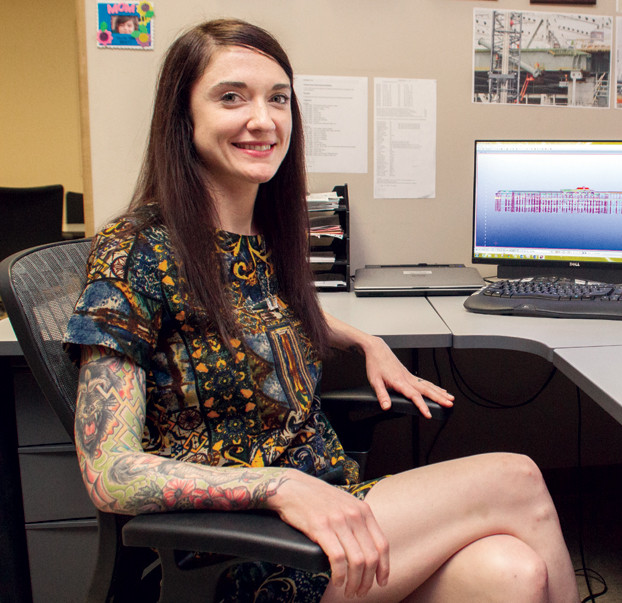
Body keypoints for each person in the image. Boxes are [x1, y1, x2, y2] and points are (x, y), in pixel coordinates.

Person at [65, 18, 578, 603]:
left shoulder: (259, 237)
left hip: (326, 506)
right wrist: (279, 486)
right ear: (182, 116)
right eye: (232, 97)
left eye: (278, 98)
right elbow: (108, 472)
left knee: (513, 571)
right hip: (246, 545)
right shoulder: (135, 252)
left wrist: (365, 341)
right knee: (518, 479)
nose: (264, 119)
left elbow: (256, 314)